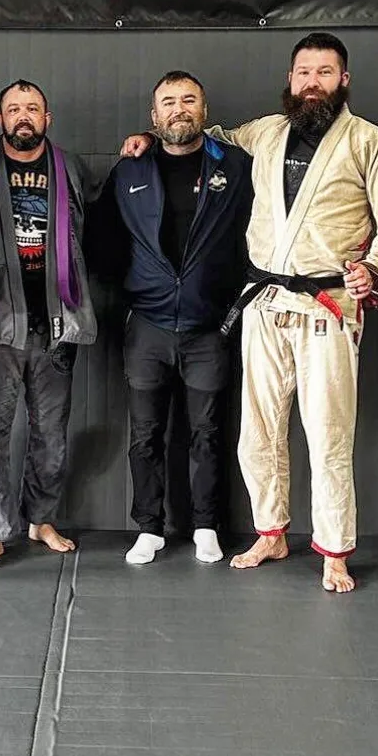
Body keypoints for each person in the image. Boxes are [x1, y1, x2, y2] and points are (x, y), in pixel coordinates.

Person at [122, 33, 378, 591]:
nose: (312, 83)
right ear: (290, 79)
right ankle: (271, 532)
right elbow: (203, 136)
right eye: (303, 72)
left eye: (324, 73)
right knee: (257, 431)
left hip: (327, 304)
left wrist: (374, 269)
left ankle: (334, 550)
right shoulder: (266, 132)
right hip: (264, 302)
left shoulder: (369, 142)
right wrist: (150, 136)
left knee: (327, 435)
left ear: (343, 80)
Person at [92, 71, 252, 565]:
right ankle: (149, 528)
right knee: (145, 435)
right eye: (168, 102)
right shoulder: (130, 171)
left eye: (188, 100)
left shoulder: (237, 167)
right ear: (153, 115)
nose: (179, 109)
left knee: (208, 433)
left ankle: (206, 526)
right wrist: (136, 286)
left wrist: (231, 297)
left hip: (209, 328)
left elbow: (259, 232)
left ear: (204, 111)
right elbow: (101, 239)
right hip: (148, 327)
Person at [0, 80, 97, 573]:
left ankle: (41, 519)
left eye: (32, 108)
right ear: (0, 119)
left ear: (47, 118)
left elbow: (95, 228)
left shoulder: (71, 168)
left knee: (51, 433)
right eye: (14, 109)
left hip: (57, 322)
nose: (23, 116)